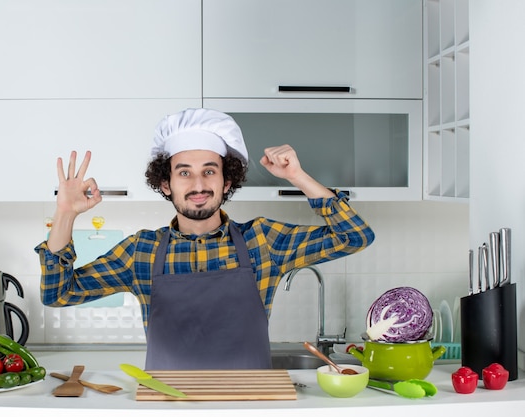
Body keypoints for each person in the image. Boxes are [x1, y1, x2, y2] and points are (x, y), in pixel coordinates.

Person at [35, 108, 374, 370]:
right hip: (168, 406)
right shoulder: (141, 251)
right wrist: (65, 214)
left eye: (209, 170)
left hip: (248, 405)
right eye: (184, 172)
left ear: (227, 181)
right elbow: (57, 294)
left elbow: (356, 236)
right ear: (166, 184)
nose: (198, 184)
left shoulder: (263, 241)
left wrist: (297, 176)